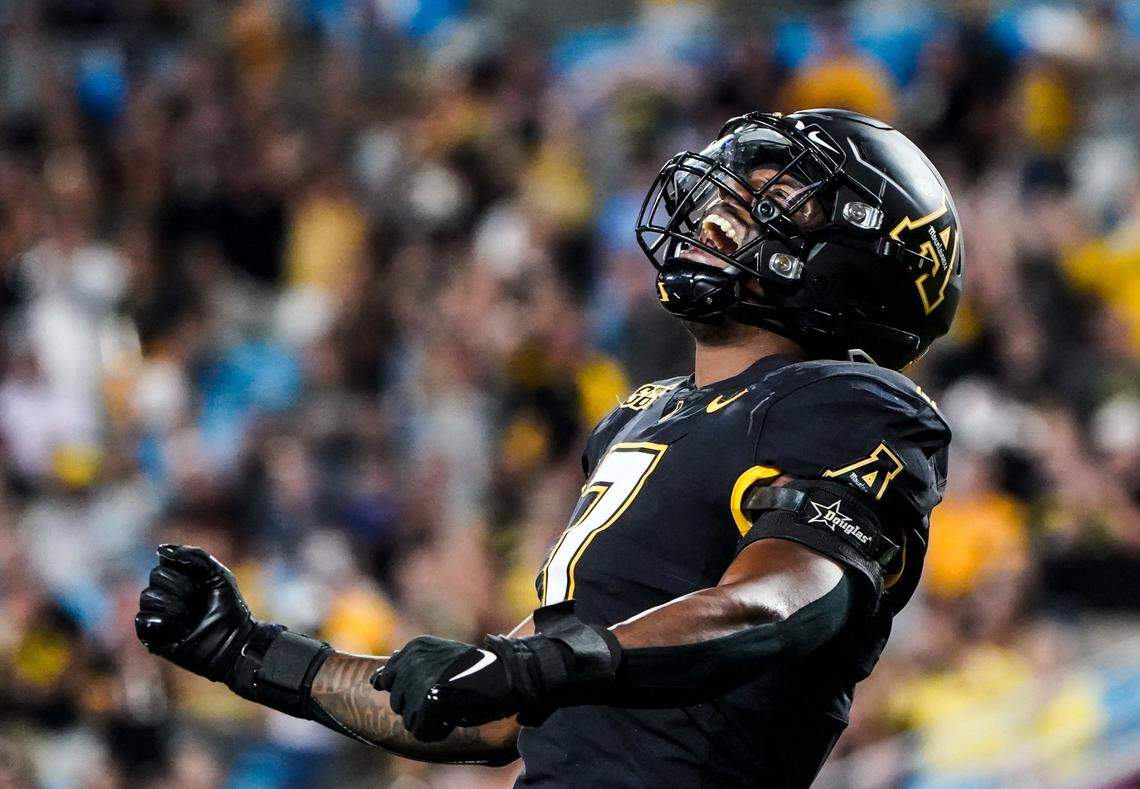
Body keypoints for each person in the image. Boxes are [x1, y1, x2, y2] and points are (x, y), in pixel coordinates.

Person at [135, 109, 961, 787]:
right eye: (737, 188)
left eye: (775, 200)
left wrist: (535, 665)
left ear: (858, 267)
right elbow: (491, 708)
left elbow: (780, 604)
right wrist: (251, 652)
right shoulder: (646, 413)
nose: (722, 210)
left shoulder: (851, 402)